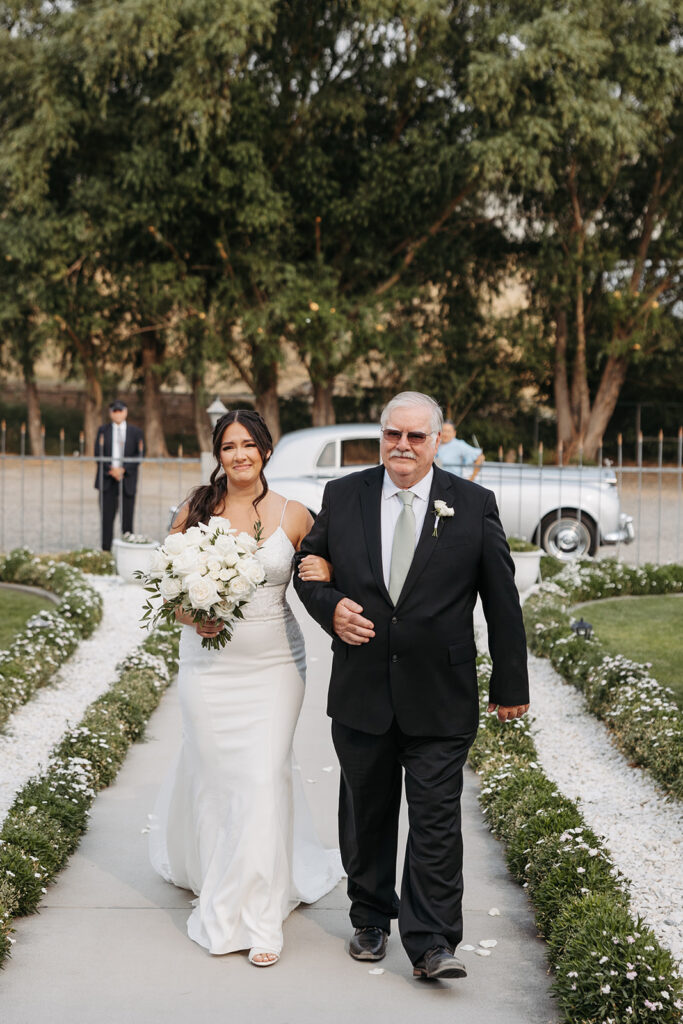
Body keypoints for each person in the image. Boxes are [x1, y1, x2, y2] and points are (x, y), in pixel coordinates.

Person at [293, 391, 529, 981]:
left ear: (437, 441)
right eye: (392, 435)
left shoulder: (473, 506)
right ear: (382, 437)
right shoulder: (343, 496)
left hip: (440, 696)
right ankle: (370, 916)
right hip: (362, 689)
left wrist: (510, 682)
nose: (402, 446)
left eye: (415, 437)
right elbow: (308, 571)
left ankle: (433, 943)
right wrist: (332, 607)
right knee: (366, 811)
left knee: (435, 823)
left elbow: (502, 601)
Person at [149, 409, 343, 967]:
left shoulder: (295, 514)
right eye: (229, 446)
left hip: (276, 666)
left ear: (265, 450)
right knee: (215, 778)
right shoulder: (195, 510)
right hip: (208, 669)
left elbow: (329, 568)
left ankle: (259, 916)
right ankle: (216, 875)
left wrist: (325, 574)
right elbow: (167, 589)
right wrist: (192, 617)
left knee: (260, 778)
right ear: (218, 454)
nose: (239, 455)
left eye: (248, 445)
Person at [93, 400, 145, 550]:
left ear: (125, 412)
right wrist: (112, 470)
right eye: (114, 411)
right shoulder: (103, 431)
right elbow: (98, 453)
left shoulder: (136, 432)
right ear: (110, 413)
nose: (117, 414)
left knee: (127, 519)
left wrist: (123, 470)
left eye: (120, 410)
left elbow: (140, 454)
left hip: (127, 479)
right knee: (107, 518)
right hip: (108, 479)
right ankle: (106, 551)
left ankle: (127, 550)